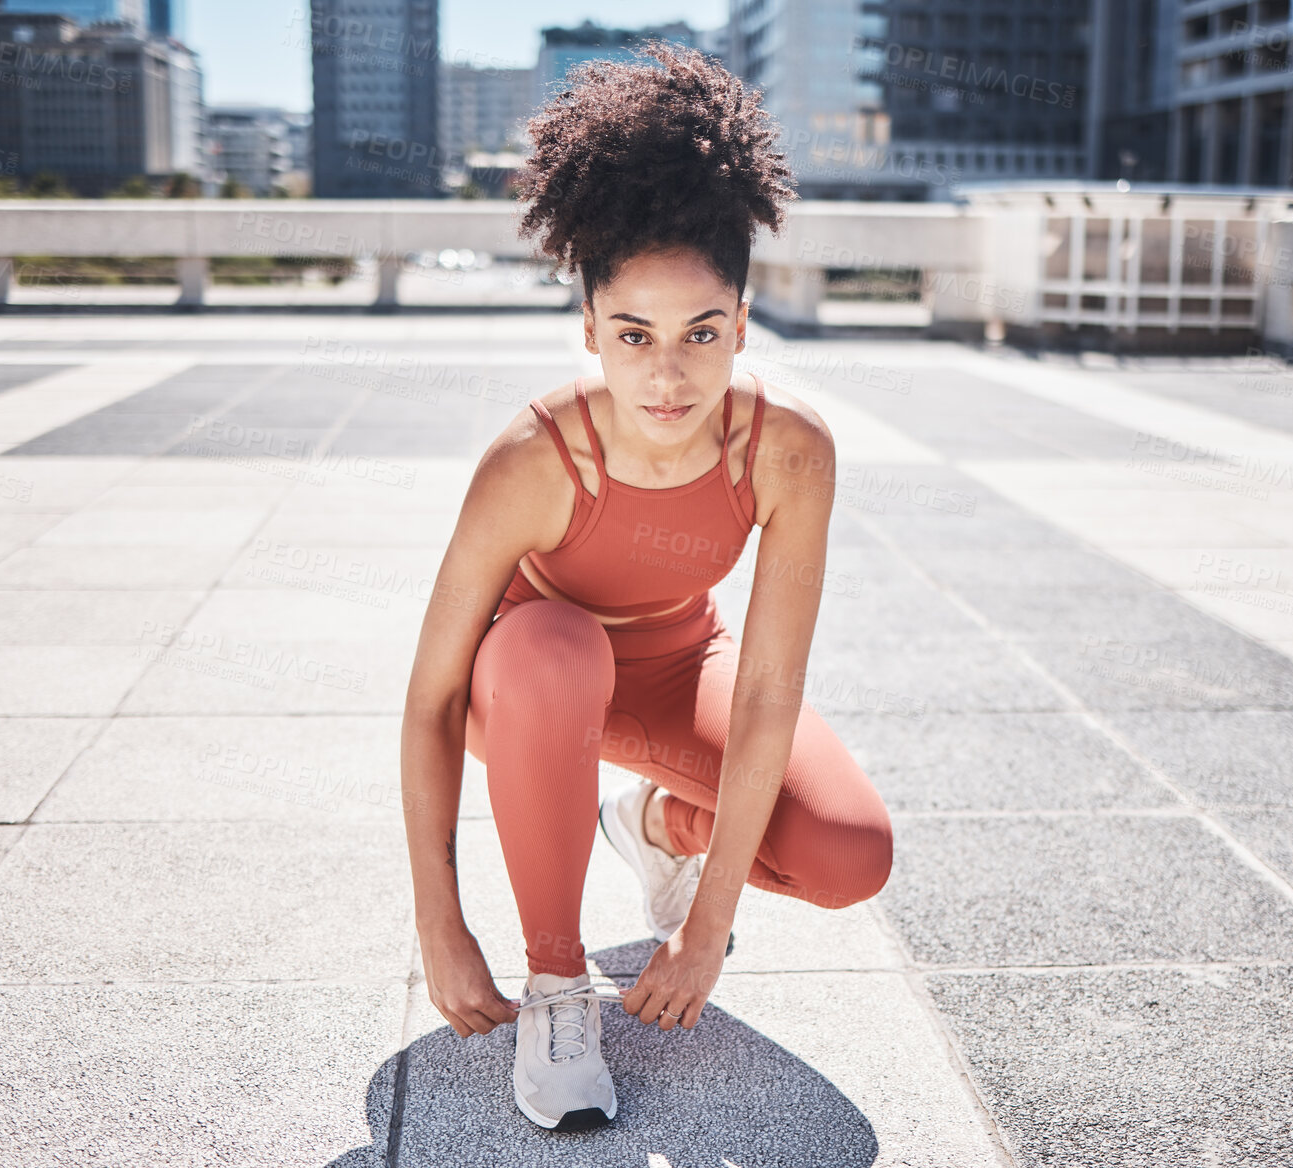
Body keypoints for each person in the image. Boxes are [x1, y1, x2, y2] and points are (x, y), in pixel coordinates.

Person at [398, 41, 894, 1132]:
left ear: (742, 326)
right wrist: (438, 915)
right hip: (528, 688)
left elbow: (765, 688)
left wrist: (707, 914)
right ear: (589, 332)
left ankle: (658, 826)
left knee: (848, 855)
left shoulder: (787, 447)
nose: (666, 375)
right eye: (632, 336)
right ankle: (558, 987)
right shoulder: (533, 458)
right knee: (549, 646)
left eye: (699, 334)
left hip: (678, 671)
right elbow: (431, 695)